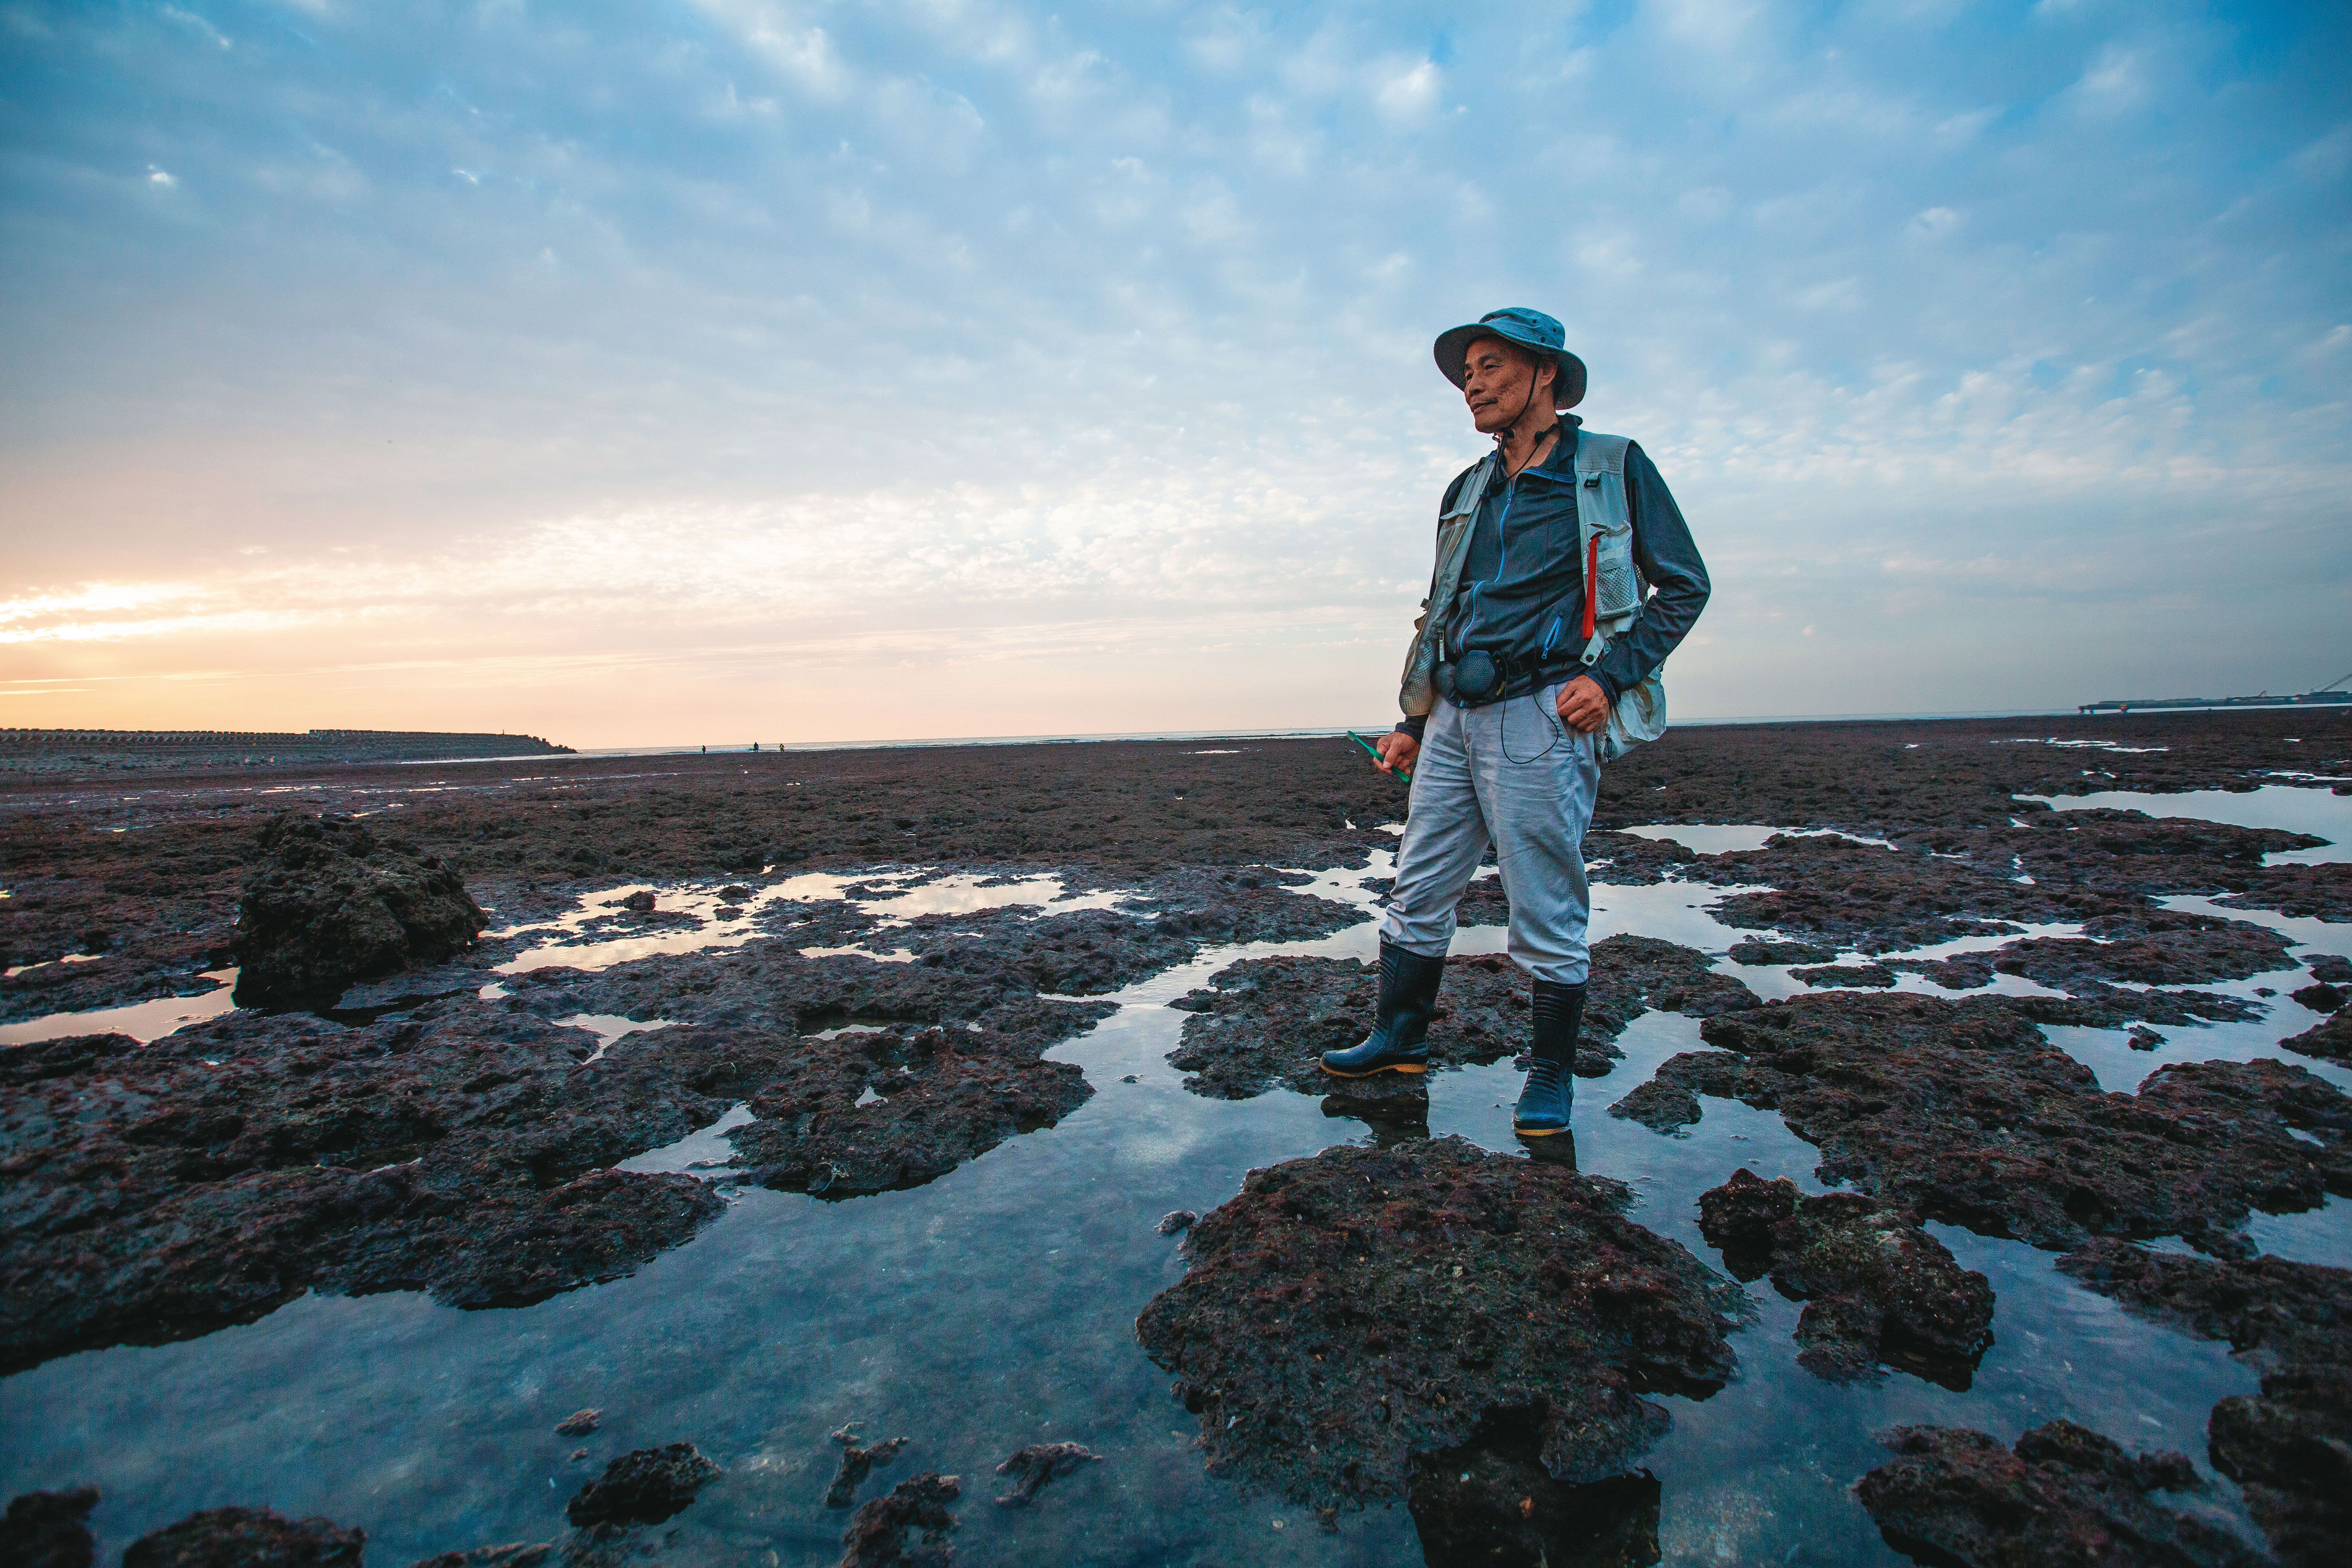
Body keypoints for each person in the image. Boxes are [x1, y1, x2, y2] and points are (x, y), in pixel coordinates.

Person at [1321, 308, 1711, 1137]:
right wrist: (1413, 722)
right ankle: (1399, 1040)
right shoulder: (1467, 488)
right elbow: (1445, 609)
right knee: (1419, 883)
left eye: (1490, 366)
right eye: (1466, 373)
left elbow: (1685, 585)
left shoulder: (1611, 466)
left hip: (1543, 712)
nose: (1472, 385)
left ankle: (1550, 1076)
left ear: (1545, 374)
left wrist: (1610, 678)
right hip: (1452, 716)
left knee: (1544, 900)